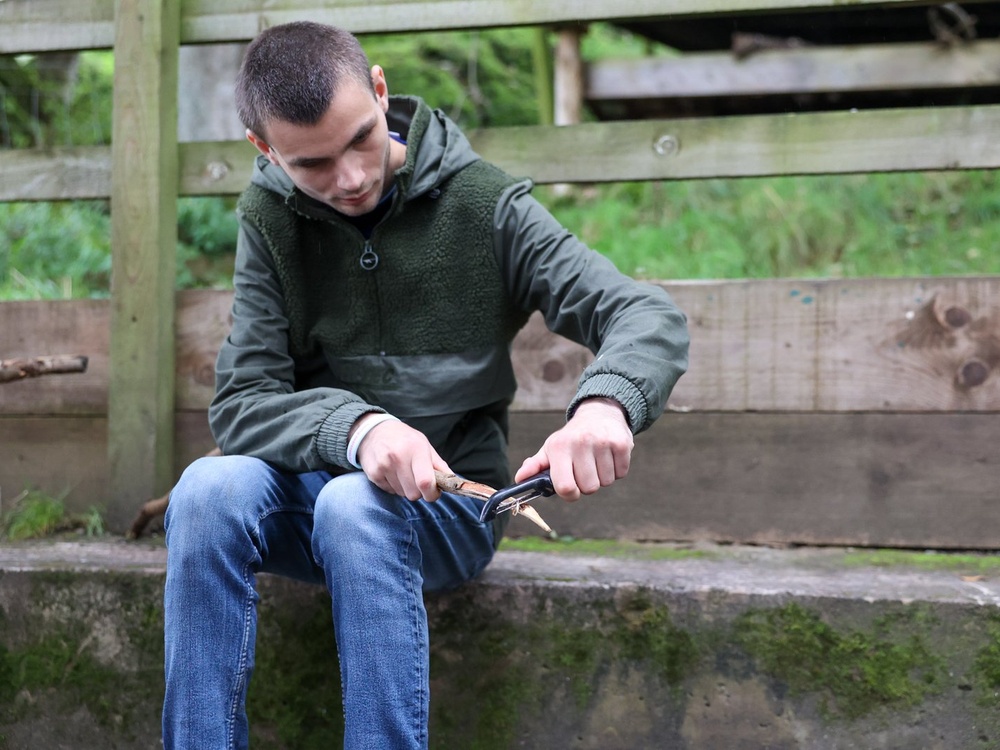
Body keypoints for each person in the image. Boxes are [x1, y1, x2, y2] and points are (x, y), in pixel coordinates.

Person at [161, 21, 689, 750]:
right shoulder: (270, 217)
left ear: (380, 90)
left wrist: (607, 402)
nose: (349, 178)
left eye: (360, 139)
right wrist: (359, 429)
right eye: (312, 163)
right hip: (312, 499)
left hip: (447, 511)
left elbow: (641, 310)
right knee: (205, 490)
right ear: (265, 150)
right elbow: (243, 403)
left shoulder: (485, 207)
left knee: (355, 503)